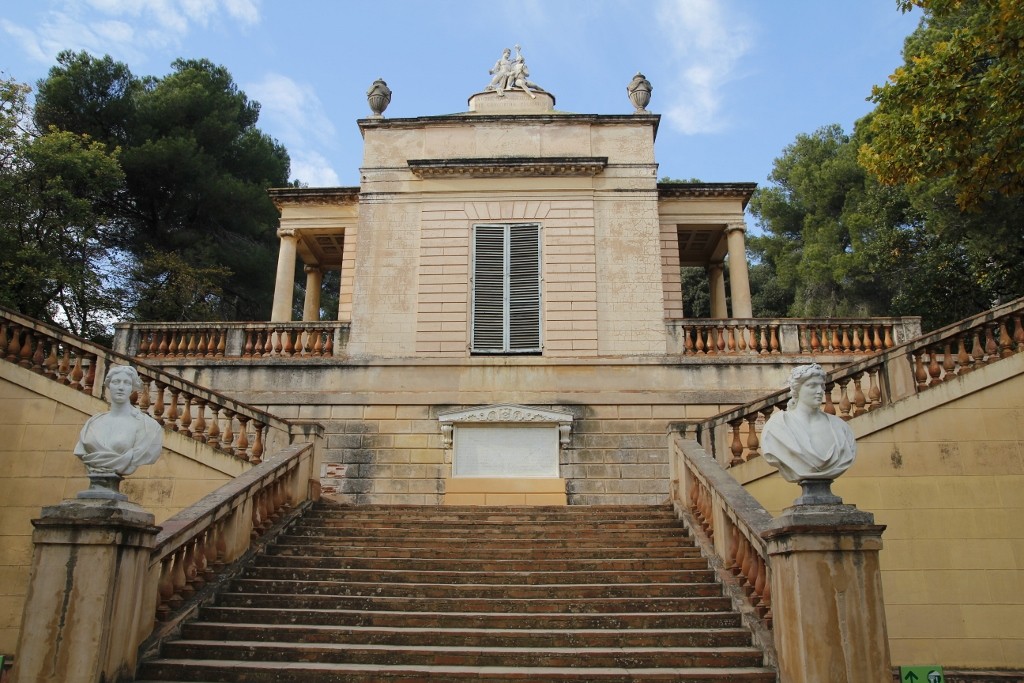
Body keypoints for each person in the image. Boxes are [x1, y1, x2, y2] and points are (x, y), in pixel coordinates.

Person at [761, 364, 855, 482]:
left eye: (821, 386)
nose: (819, 391)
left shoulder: (841, 427)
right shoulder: (776, 427)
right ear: (797, 390)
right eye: (812, 386)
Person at [73, 365, 163, 476]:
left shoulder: (147, 427)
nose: (121, 387)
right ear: (109, 385)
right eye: (116, 382)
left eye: (126, 383)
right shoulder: (93, 423)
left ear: (132, 388)